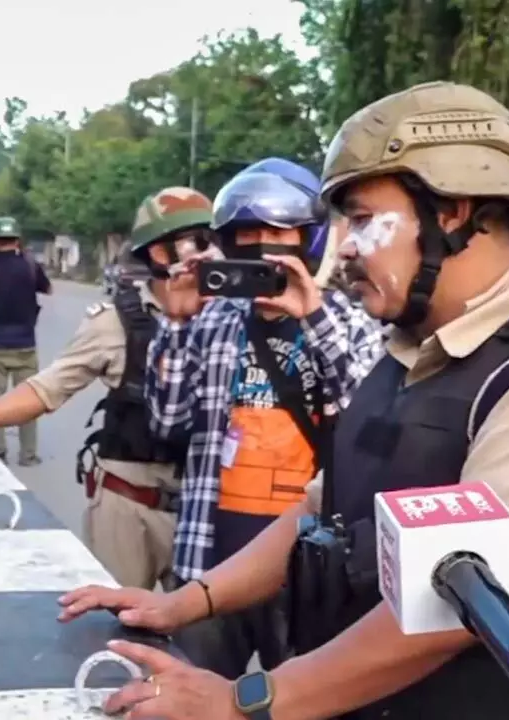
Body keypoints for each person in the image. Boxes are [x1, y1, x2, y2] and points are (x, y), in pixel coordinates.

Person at [58, 81, 509, 720]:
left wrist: (242, 701)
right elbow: (321, 509)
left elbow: (454, 606)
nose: (342, 248)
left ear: (450, 211)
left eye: (364, 220)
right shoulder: (409, 354)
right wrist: (188, 601)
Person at [138, 158, 386, 679]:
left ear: (308, 241)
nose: (263, 250)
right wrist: (177, 322)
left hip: (307, 568)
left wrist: (311, 316)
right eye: (246, 237)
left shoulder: (349, 319)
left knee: (302, 703)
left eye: (278, 235)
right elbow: (166, 420)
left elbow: (369, 422)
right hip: (210, 557)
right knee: (189, 697)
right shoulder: (213, 320)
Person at [0, 187, 215, 589]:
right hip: (129, 507)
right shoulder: (115, 322)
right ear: (155, 254)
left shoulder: (231, 320)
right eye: (183, 245)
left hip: (207, 509)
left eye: (207, 242)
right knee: (118, 636)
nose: (198, 256)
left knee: (201, 644)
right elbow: (46, 390)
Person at [0, 215, 52, 465]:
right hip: (25, 344)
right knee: (28, 401)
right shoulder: (30, 266)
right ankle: (28, 454)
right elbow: (47, 288)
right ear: (17, 240)